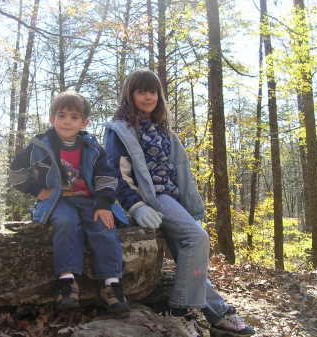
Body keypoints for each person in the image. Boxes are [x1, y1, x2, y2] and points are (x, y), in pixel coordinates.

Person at [104, 70, 255, 336]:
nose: (148, 96)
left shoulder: (164, 131)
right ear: (130, 95)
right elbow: (117, 174)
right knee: (197, 239)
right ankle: (180, 310)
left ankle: (218, 314)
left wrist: (189, 206)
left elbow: (179, 172)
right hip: (152, 199)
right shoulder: (120, 130)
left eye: (153, 91)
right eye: (141, 91)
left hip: (172, 200)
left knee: (191, 253)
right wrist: (136, 206)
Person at [10, 91, 130, 315]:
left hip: (89, 199)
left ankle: (112, 283)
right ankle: (67, 282)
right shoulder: (40, 146)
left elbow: (107, 177)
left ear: (84, 123)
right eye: (62, 115)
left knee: (104, 225)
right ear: (52, 118)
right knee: (66, 222)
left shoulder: (92, 148)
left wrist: (104, 204)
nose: (67, 121)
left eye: (74, 117)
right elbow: (16, 173)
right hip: (58, 201)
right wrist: (37, 191)